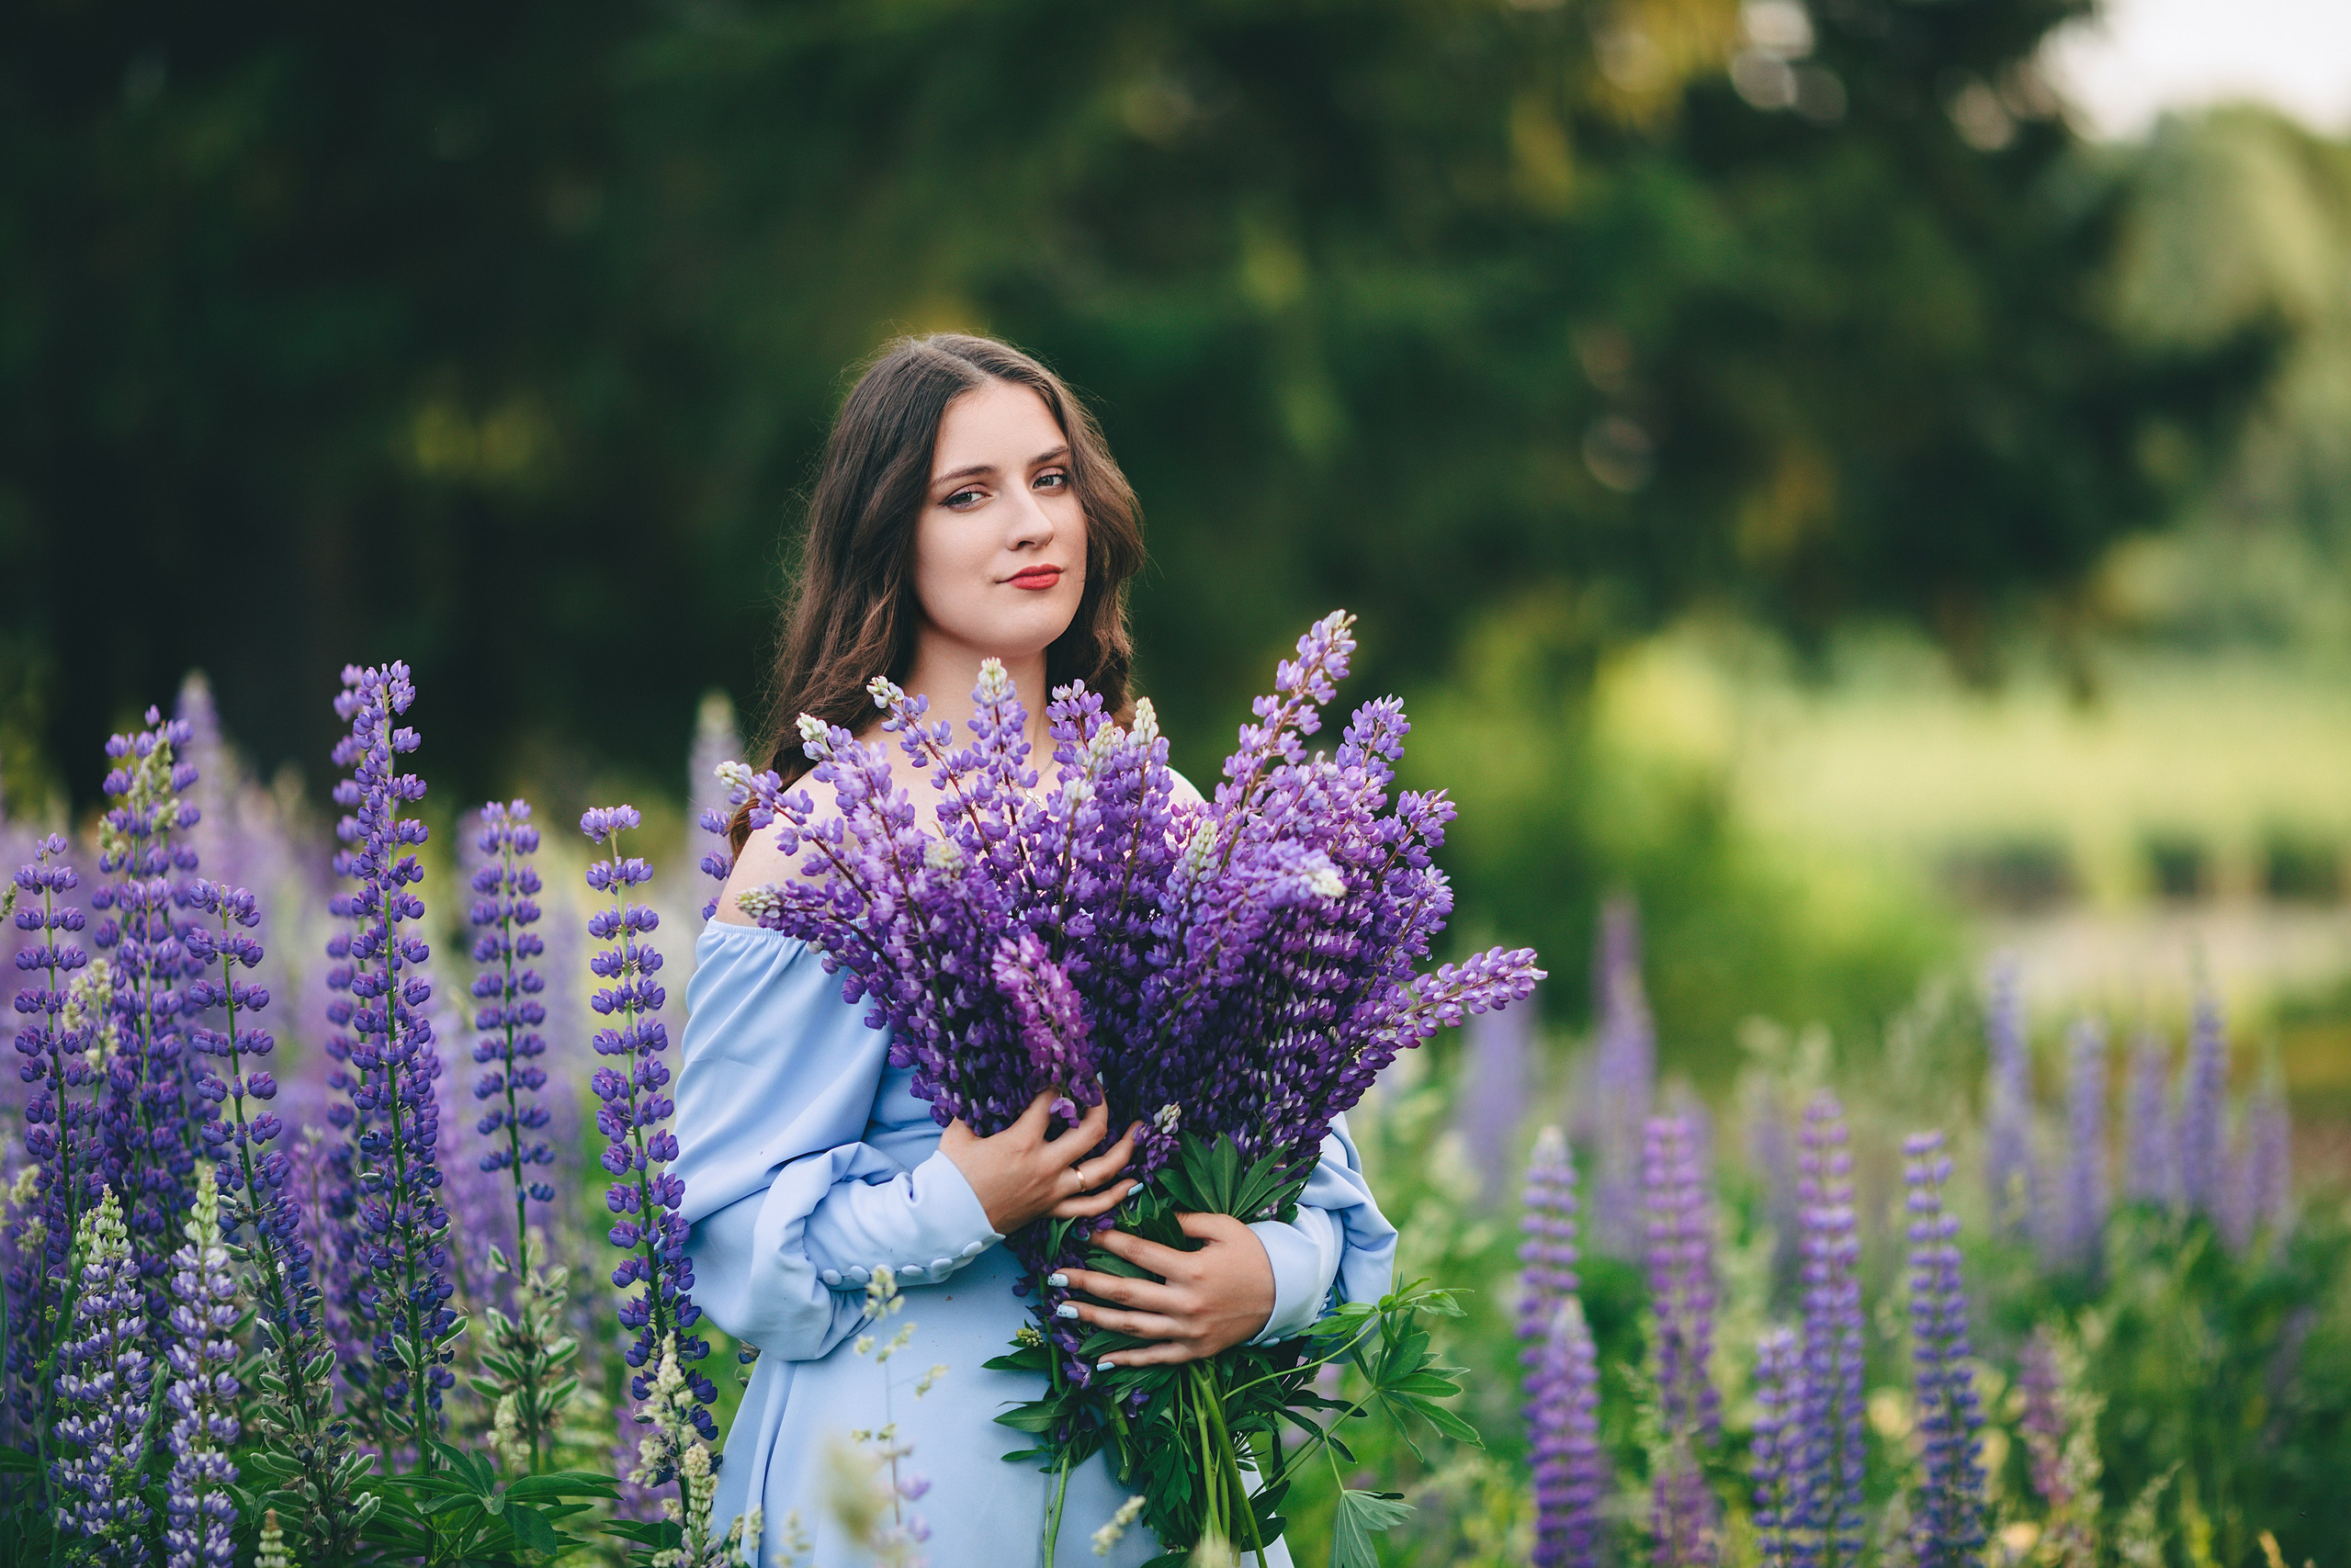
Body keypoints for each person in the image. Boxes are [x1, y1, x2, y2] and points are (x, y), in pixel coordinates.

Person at [673, 333, 1398, 1566]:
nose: (1030, 523)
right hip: (908, 1481)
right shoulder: (827, 840)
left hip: (1169, 1475)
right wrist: (958, 1199)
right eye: (969, 495)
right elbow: (728, 1239)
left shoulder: (1168, 812)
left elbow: (1321, 1177)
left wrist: (1265, 1275)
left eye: (1052, 479)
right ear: (885, 537)